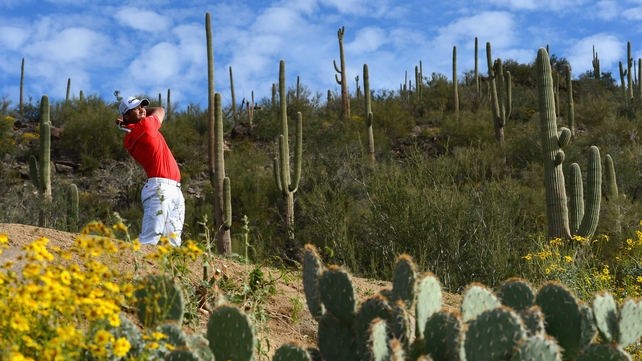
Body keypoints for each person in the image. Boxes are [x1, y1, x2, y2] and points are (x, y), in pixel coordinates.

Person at [115, 96, 185, 247]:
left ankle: (169, 271)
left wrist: (128, 118)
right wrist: (134, 117)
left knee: (173, 241)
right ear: (126, 115)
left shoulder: (134, 132)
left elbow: (150, 113)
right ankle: (135, 269)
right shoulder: (145, 126)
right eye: (136, 108)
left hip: (173, 190)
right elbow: (160, 110)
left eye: (142, 106)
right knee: (150, 239)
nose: (142, 109)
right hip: (159, 188)